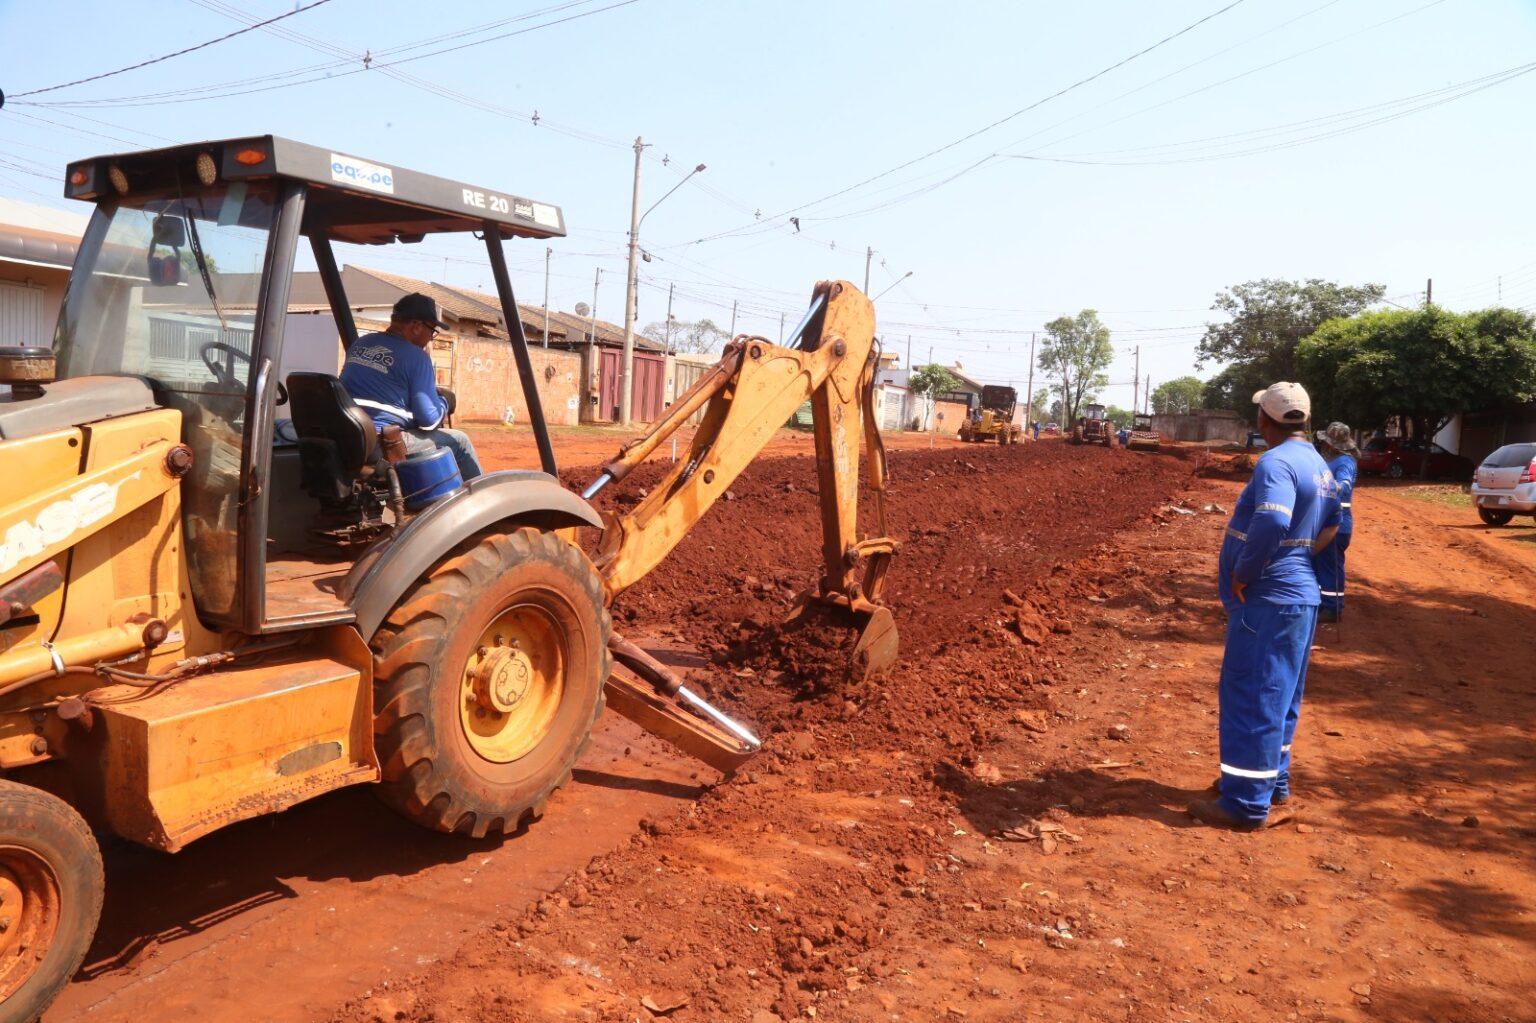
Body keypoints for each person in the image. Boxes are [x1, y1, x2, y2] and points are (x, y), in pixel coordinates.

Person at [1189, 382, 1340, 831]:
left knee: (1252, 694)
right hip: (1299, 597)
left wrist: (1246, 572)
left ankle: (1245, 804)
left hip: (1268, 599)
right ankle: (1270, 786)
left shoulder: (1275, 462)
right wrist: (1298, 556)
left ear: (1263, 421)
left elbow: (1272, 517)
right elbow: (1333, 525)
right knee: (1281, 693)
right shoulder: (1318, 464)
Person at [339, 293, 482, 481]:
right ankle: (482, 500)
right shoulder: (417, 357)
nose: (431, 338)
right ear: (416, 326)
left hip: (344, 436)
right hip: (379, 443)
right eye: (432, 330)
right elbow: (428, 421)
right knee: (460, 441)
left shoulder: (361, 344)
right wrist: (444, 402)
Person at [1313, 422, 1357, 623]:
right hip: (1325, 522)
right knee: (1320, 564)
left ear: (1333, 444)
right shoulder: (1328, 460)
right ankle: (1323, 603)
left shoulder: (1345, 462)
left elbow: (1344, 484)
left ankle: (1333, 608)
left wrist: (1332, 487)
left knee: (1330, 565)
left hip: (1337, 524)